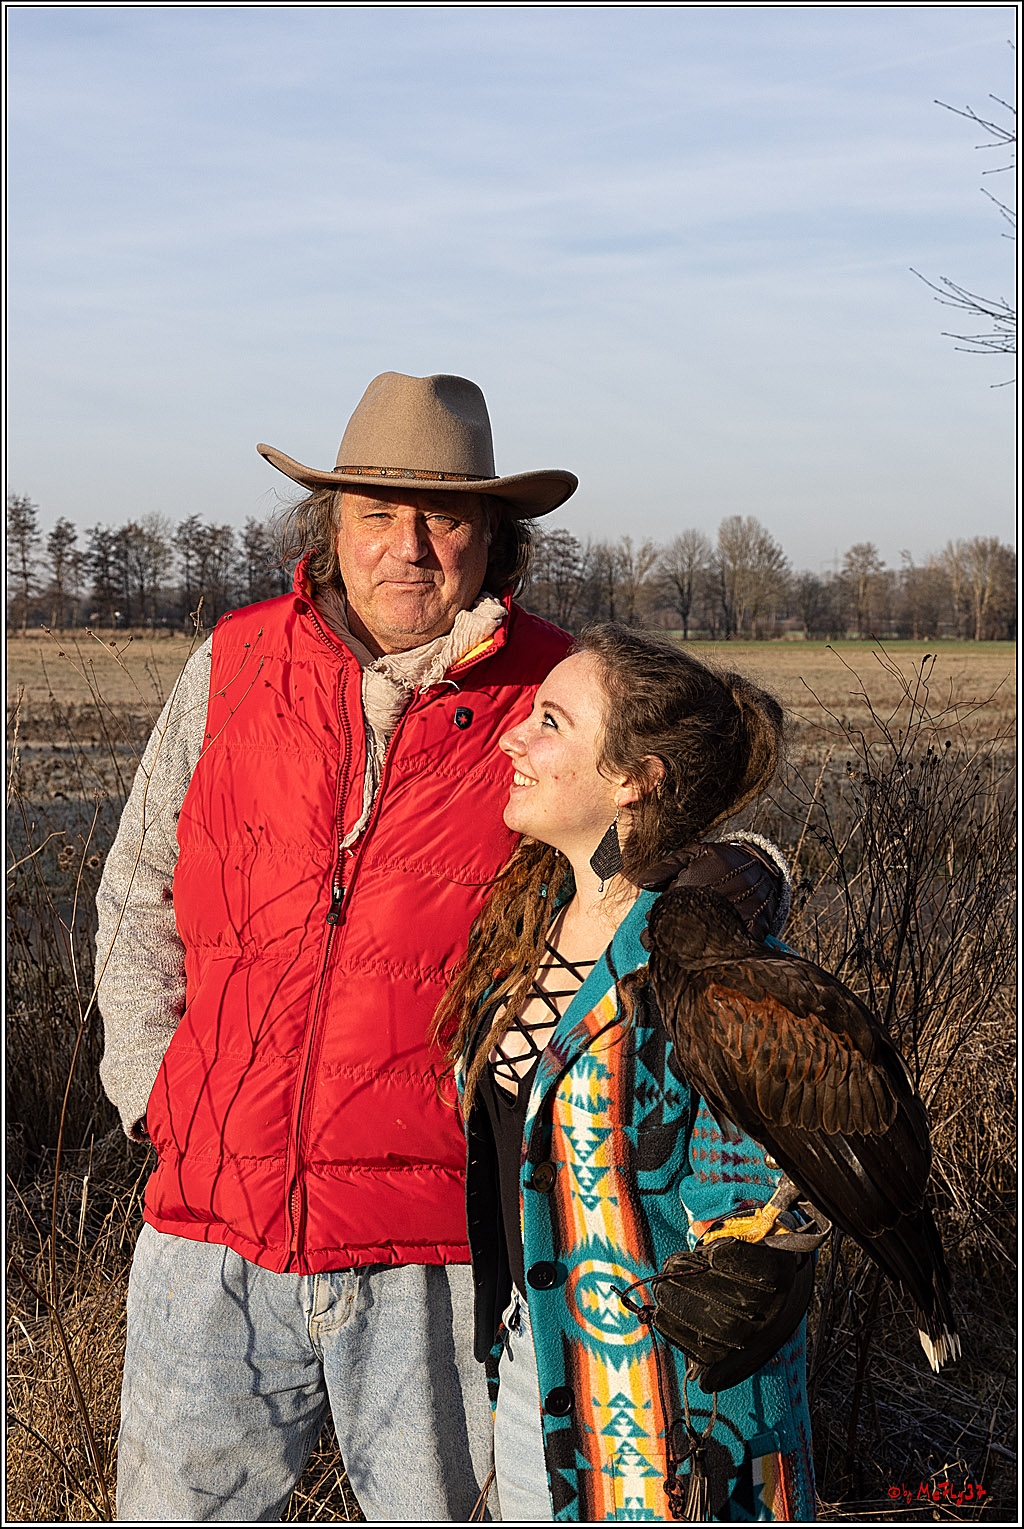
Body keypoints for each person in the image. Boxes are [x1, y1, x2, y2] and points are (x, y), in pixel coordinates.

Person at [94, 371, 581, 1522]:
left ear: (493, 536)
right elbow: (137, 891)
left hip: (440, 1255)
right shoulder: (235, 661)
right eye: (376, 512)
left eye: (444, 515)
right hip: (207, 1234)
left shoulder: (555, 689)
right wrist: (155, 1095)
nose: (407, 546)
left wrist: (742, 874)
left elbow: (687, 832)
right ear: (331, 524)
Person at [435, 623, 816, 1522]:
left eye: (552, 723)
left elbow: (757, 1222)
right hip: (536, 1388)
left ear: (635, 780)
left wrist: (721, 1466)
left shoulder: (712, 968)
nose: (512, 738)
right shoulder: (530, 921)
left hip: (669, 1434)